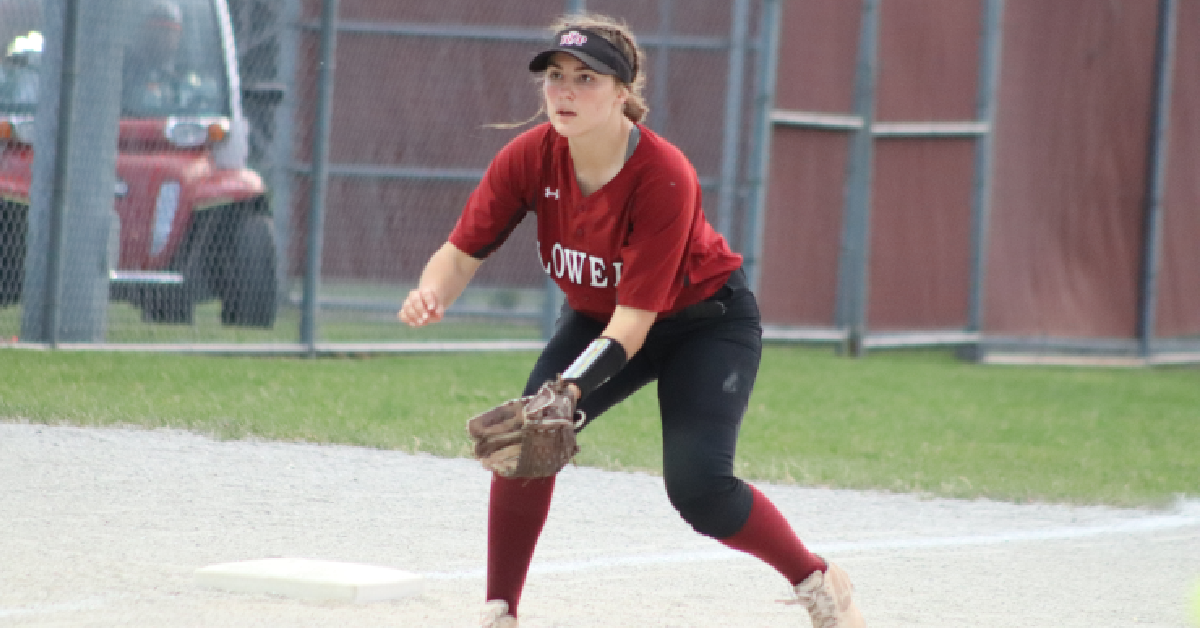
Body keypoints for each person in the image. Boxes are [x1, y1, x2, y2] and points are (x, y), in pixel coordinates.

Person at [398, 14, 866, 628]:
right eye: (555, 76)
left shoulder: (664, 175)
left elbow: (633, 325)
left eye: (585, 78)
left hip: (706, 323)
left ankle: (815, 579)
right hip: (601, 320)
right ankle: (501, 612)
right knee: (528, 441)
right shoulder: (530, 157)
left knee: (699, 489)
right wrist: (431, 291)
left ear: (624, 93)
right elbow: (460, 253)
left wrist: (567, 391)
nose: (564, 91)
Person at [122, 0, 185, 113]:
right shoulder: (125, 70)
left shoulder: (185, 74)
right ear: (144, 32)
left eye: (171, 31)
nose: (165, 38)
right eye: (159, 29)